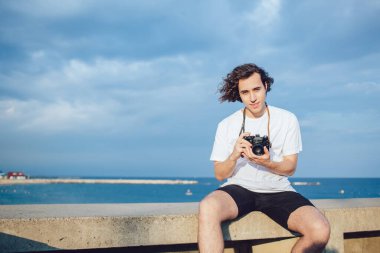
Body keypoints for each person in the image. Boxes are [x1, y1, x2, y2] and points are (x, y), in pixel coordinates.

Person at [198, 63, 330, 253]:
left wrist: (266, 162)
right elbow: (220, 174)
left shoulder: (287, 119)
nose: (252, 98)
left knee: (320, 229)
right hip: (239, 188)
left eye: (257, 89)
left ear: (266, 86)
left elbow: (290, 167)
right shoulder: (226, 125)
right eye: (245, 92)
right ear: (239, 94)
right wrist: (234, 155)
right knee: (208, 206)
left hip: (278, 190)